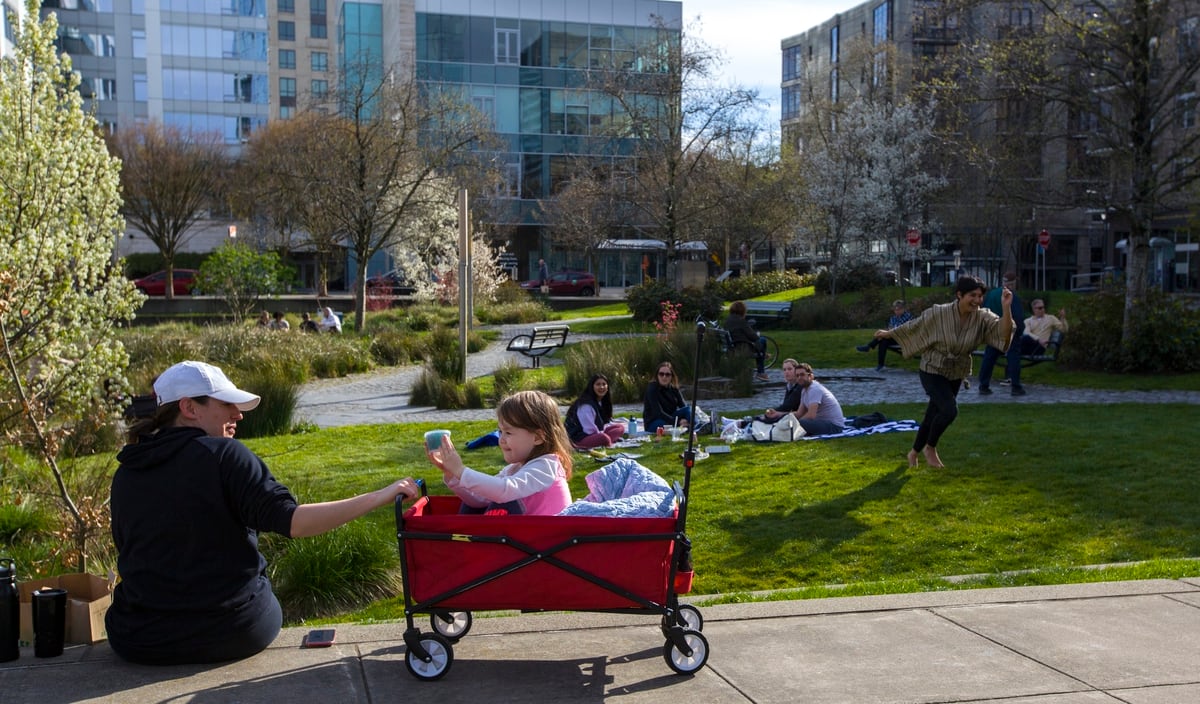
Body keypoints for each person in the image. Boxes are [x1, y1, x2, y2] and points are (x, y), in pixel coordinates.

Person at [106, 361, 420, 666]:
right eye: (226, 404)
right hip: (230, 632)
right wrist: (381, 495)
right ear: (189, 408)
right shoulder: (224, 455)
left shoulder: (127, 471)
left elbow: (129, 552)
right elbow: (295, 522)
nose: (238, 414)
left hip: (139, 640)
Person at [875, 275, 1013, 469]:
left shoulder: (983, 317)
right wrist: (889, 334)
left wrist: (1006, 308)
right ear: (959, 295)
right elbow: (915, 325)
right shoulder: (939, 313)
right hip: (932, 368)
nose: (977, 300)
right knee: (949, 410)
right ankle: (930, 448)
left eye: (980, 296)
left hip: (956, 370)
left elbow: (1003, 332)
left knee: (933, 414)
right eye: (972, 295)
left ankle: (913, 453)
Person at [426, 390, 573, 516]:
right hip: (530, 544)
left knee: (504, 503)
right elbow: (481, 499)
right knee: (474, 505)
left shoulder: (546, 466)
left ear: (538, 437)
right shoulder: (514, 468)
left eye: (508, 432)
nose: (501, 439)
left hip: (548, 545)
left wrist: (461, 470)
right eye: (500, 431)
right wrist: (453, 475)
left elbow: (503, 491)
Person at [977, 272, 1026, 396]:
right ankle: (1016, 386)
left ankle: (983, 385)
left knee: (989, 357)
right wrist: (1019, 331)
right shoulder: (1011, 296)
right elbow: (1018, 316)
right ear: (1012, 283)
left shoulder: (992, 294)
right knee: (1013, 357)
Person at [565, 373, 627, 449]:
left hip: (595, 434)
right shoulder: (586, 405)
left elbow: (603, 424)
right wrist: (601, 435)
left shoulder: (601, 402)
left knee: (620, 428)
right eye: (598, 384)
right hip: (579, 437)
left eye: (604, 384)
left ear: (607, 387)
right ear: (592, 387)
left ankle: (606, 441)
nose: (601, 387)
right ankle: (608, 441)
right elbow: (589, 430)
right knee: (604, 438)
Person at [856, 300, 913, 372]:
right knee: (883, 341)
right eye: (895, 310)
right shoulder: (893, 318)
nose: (896, 311)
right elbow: (890, 328)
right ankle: (880, 364)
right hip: (893, 337)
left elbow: (901, 329)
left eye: (898, 309)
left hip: (904, 338)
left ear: (903, 309)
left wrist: (888, 332)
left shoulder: (908, 316)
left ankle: (869, 347)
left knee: (883, 338)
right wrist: (885, 333)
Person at [790, 363, 846, 436]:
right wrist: (781, 417)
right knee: (790, 422)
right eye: (797, 376)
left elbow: (811, 415)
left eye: (802, 374)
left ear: (810, 376)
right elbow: (799, 413)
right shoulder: (804, 390)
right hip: (821, 422)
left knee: (801, 423)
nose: (799, 378)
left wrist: (795, 423)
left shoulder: (814, 389)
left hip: (834, 426)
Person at [725, 300, 769, 381]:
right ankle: (761, 372)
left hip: (733, 347)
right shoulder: (741, 321)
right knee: (762, 340)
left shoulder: (728, 320)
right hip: (743, 348)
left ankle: (763, 354)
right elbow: (753, 337)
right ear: (742, 310)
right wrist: (757, 335)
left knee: (759, 344)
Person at [642, 361, 691, 432]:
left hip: (671, 417)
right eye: (661, 374)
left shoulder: (674, 388)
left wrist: (684, 418)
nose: (664, 377)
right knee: (665, 424)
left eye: (667, 374)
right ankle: (689, 427)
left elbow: (683, 406)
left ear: (671, 376)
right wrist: (677, 422)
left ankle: (697, 426)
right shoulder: (652, 388)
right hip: (654, 422)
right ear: (657, 376)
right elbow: (658, 413)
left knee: (688, 409)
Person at [758, 358, 805, 423]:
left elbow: (787, 406)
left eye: (789, 369)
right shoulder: (789, 385)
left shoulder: (800, 386)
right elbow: (785, 405)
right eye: (784, 370)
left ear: (796, 370)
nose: (786, 372)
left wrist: (774, 412)